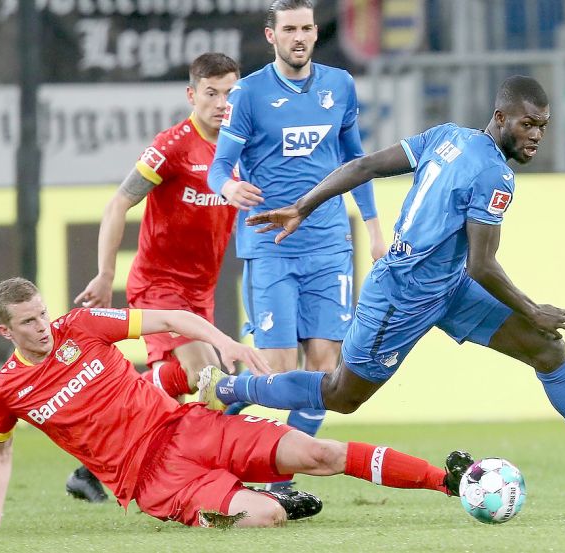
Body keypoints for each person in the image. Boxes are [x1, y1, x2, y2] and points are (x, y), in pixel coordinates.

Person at [216, 75, 565, 501]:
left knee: (547, 350)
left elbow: (368, 165)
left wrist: (303, 205)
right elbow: (482, 264)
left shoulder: (447, 135)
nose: (535, 135)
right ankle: (238, 390)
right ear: (500, 118)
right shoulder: (496, 175)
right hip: (400, 296)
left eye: (542, 127)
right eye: (527, 124)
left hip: (447, 288)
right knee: (341, 395)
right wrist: (533, 310)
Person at [0, 277, 477, 529]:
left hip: (187, 426)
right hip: (150, 479)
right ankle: (267, 497)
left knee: (319, 454)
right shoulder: (7, 389)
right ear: (5, 330)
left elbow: (170, 318)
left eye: (42, 314)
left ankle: (449, 482)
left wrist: (229, 346)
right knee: (266, 518)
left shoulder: (78, 328)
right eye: (28, 323)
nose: (42, 327)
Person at [206, 0, 386, 487]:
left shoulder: (340, 86)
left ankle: (279, 481)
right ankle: (219, 404)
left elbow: (358, 164)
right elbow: (218, 167)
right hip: (270, 246)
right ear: (272, 36)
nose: (300, 37)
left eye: (307, 28)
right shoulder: (248, 94)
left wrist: (372, 231)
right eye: (290, 29)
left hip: (329, 245)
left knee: (326, 370)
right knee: (278, 372)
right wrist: (227, 187)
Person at [67, 53, 240, 503]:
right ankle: (213, 483)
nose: (222, 103)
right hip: (160, 286)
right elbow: (118, 203)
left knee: (178, 384)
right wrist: (106, 274)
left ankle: (92, 462)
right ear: (191, 95)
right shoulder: (172, 146)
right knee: (208, 377)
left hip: (201, 290)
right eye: (212, 93)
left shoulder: (240, 146)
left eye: (230, 93)